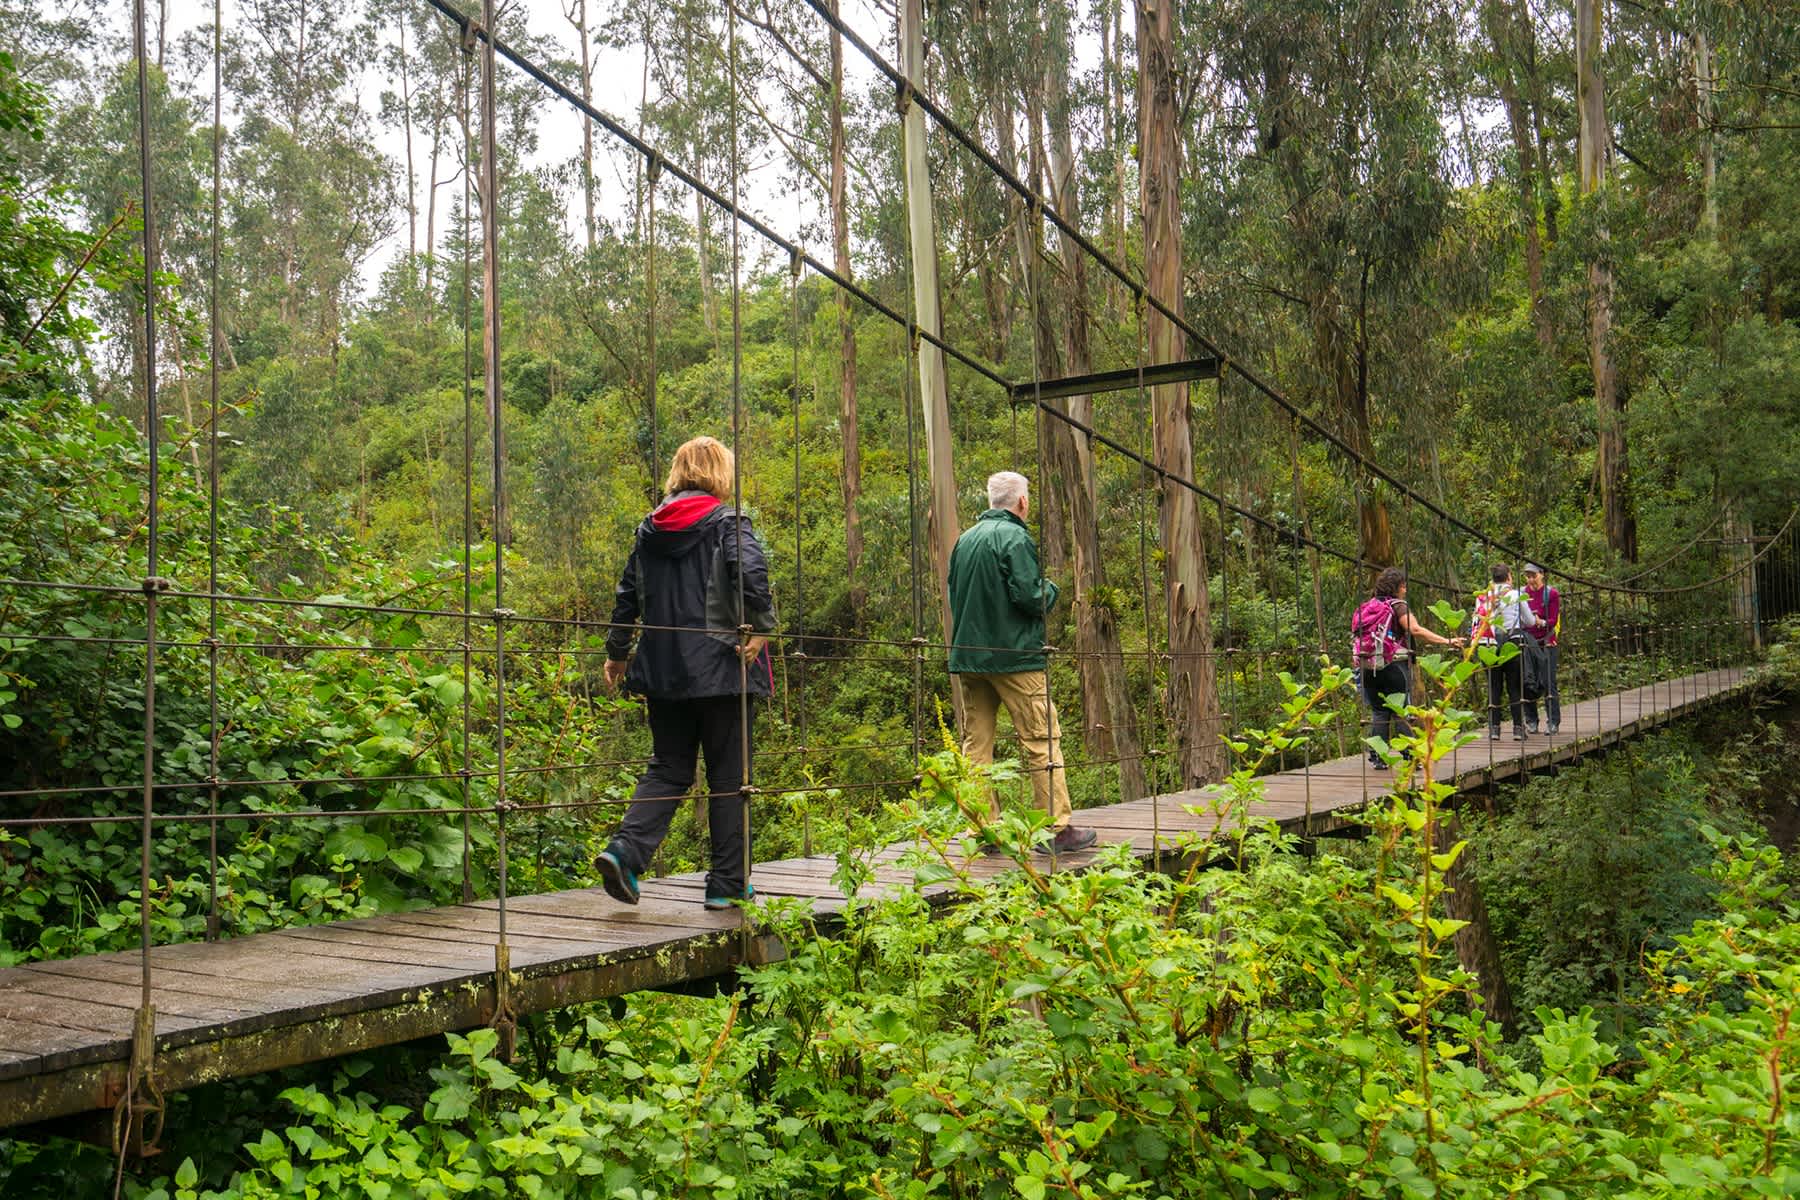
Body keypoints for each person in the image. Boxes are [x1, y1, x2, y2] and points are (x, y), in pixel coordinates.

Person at [594, 436, 776, 910]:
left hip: (664, 670)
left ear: (678, 471)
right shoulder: (728, 522)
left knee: (669, 767)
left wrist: (617, 653)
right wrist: (762, 626)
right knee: (730, 778)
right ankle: (727, 885)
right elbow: (750, 572)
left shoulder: (649, 529)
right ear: (720, 473)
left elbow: (626, 596)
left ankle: (625, 851)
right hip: (722, 666)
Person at [946, 471, 1097, 855]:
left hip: (970, 659)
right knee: (1041, 739)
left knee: (975, 746)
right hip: (1016, 658)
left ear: (991, 499)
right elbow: (1031, 597)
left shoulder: (963, 541)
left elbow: (955, 596)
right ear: (1022, 502)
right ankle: (1055, 829)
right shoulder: (1015, 537)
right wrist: (1051, 590)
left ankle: (984, 831)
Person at [1351, 567, 1463, 768]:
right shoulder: (1398, 606)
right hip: (1394, 666)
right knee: (1400, 712)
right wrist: (1447, 641)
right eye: (1403, 586)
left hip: (1368, 666)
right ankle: (1410, 756)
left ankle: (1378, 758)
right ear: (1396, 588)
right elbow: (1415, 629)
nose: (1405, 590)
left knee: (1379, 712)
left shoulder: (1367, 606)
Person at [1471, 563, 1541, 741]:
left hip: (1489, 645)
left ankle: (1494, 730)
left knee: (1494, 687)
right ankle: (1518, 729)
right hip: (1512, 643)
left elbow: (1477, 621)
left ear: (1493, 579)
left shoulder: (1482, 597)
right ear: (1509, 576)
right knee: (1514, 686)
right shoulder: (1516, 594)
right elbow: (1530, 621)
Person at [1522, 563, 1561, 735]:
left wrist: (1540, 622)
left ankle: (1553, 721)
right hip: (1528, 642)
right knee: (1527, 680)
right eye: (1527, 576)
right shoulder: (1522, 594)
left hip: (1546, 641)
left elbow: (1553, 619)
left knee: (1548, 681)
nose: (1531, 579)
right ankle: (1531, 720)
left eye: (1533, 575)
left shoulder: (1551, 594)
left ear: (1542, 574)